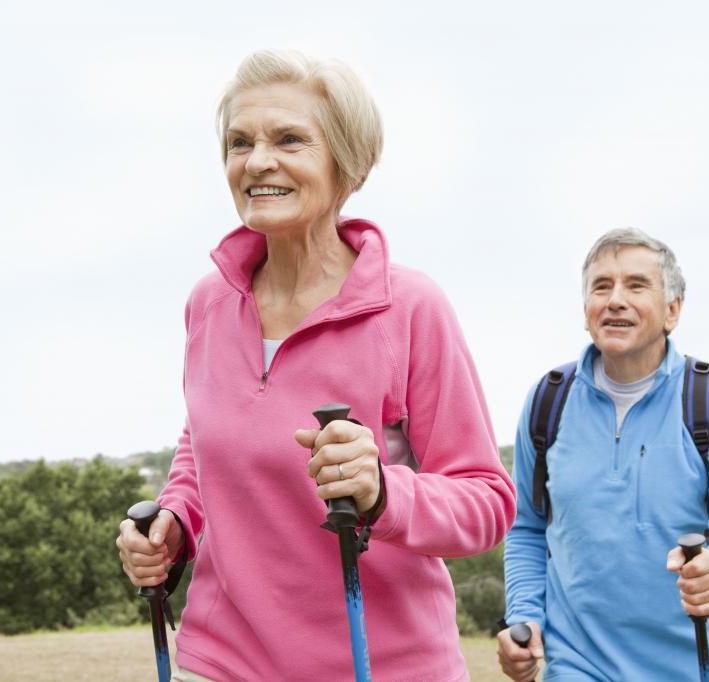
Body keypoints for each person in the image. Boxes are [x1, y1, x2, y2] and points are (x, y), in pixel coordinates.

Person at [115, 50, 515, 681]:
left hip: (382, 666)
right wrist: (175, 522)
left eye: (290, 140)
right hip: (223, 659)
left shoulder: (409, 309)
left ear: (346, 162)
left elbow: (486, 503)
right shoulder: (210, 303)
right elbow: (203, 442)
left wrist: (384, 492)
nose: (257, 161)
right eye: (239, 142)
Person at [498, 228, 709, 681]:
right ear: (586, 310)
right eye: (601, 286)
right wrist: (526, 617)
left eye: (636, 285)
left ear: (673, 310)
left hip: (696, 668)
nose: (615, 300)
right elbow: (527, 528)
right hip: (578, 665)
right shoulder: (547, 402)